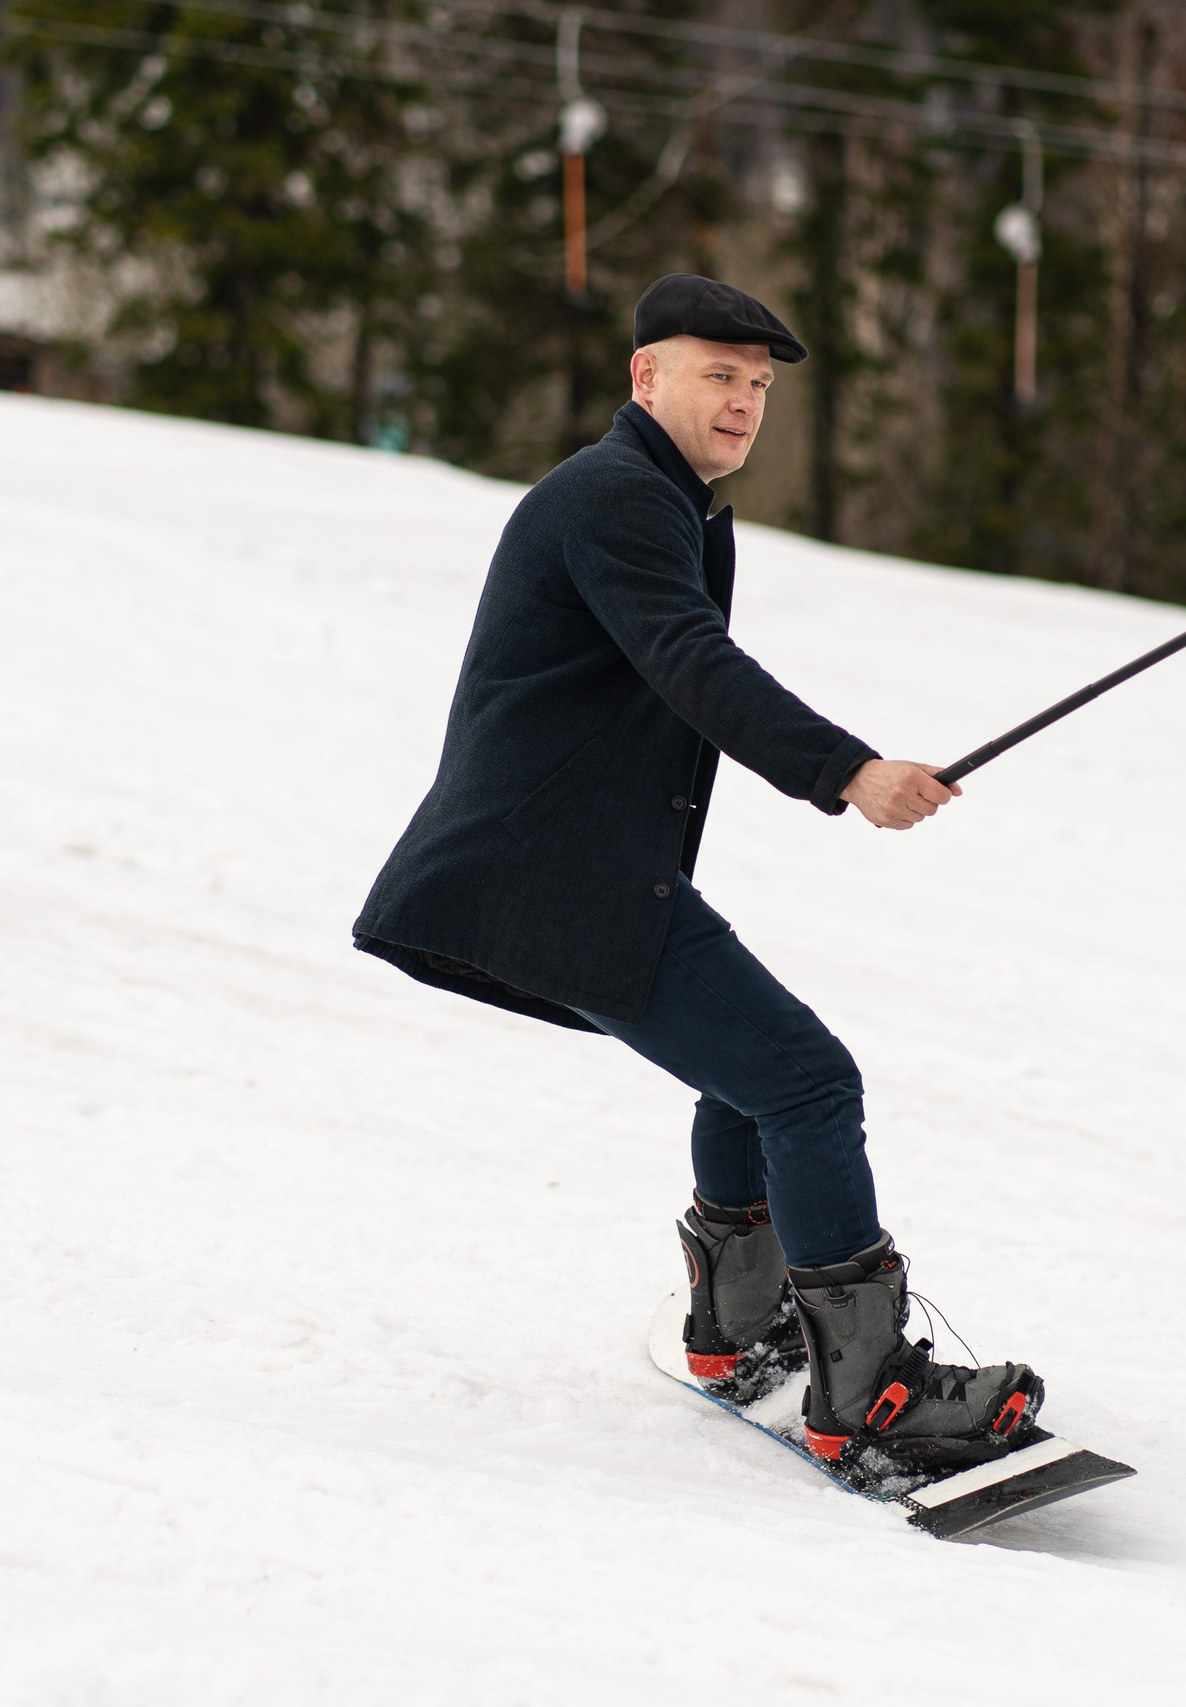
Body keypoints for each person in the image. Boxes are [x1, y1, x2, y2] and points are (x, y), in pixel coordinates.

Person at [352, 274, 1045, 1471]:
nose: (741, 404)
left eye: (759, 386)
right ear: (645, 377)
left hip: (574, 870)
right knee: (808, 1085)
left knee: (754, 1074)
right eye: (718, 375)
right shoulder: (619, 499)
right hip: (556, 876)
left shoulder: (661, 504)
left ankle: (735, 1334)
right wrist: (849, 773)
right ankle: (866, 1394)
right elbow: (691, 662)